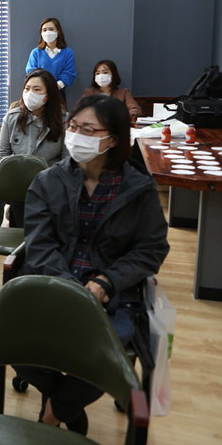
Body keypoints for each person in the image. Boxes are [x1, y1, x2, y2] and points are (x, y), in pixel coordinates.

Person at [16, 95, 169, 436]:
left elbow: (151, 248)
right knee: (14, 339)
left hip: (113, 295)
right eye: (72, 126)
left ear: (112, 139)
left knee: (104, 355)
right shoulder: (48, 181)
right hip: (53, 284)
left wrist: (107, 281)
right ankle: (65, 405)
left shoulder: (138, 189)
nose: (75, 135)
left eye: (87, 130)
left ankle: (53, 413)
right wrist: (69, 288)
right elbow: (40, 245)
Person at [0, 69, 68, 226]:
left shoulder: (64, 121)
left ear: (48, 95)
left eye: (37, 89)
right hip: (19, 182)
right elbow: (2, 155)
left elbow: (66, 160)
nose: (30, 93)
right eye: (27, 89)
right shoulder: (12, 117)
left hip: (51, 183)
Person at [26, 17, 76, 96]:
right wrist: (42, 87)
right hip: (38, 93)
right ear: (41, 33)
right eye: (44, 30)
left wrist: (55, 87)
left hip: (58, 93)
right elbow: (31, 72)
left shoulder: (67, 53)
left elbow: (69, 74)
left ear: (58, 31)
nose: (47, 32)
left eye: (51, 29)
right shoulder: (36, 53)